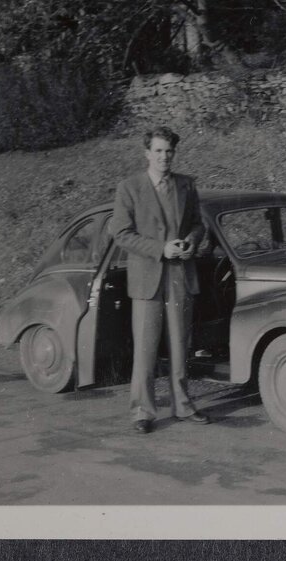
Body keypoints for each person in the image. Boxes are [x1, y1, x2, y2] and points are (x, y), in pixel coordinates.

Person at [109, 126, 210, 434]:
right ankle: (143, 411)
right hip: (147, 278)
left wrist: (192, 241)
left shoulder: (186, 185)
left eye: (169, 151)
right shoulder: (129, 188)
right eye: (158, 151)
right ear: (147, 154)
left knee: (181, 344)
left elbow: (197, 224)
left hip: (180, 276)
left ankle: (182, 404)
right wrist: (160, 249)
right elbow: (120, 233)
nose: (164, 157)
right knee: (146, 348)